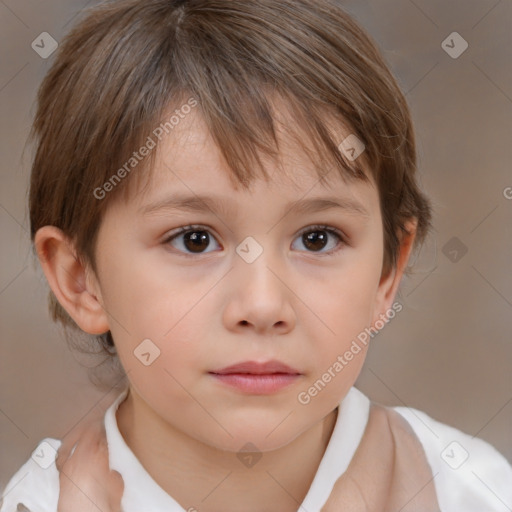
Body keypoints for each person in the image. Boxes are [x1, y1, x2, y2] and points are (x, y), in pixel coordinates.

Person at [1, 0, 511, 510]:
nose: (263, 305)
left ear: (387, 275)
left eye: (317, 238)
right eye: (194, 239)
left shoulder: (471, 491)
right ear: (79, 279)